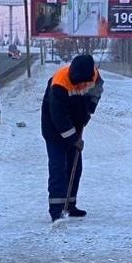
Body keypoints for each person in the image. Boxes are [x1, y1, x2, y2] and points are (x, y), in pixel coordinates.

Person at [41, 53, 104, 221]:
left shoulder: (94, 76)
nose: (80, 85)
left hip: (75, 125)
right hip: (54, 129)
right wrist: (74, 139)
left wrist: (89, 109)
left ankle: (70, 205)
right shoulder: (60, 82)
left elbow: (97, 91)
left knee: (75, 168)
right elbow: (58, 117)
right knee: (58, 169)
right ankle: (57, 212)